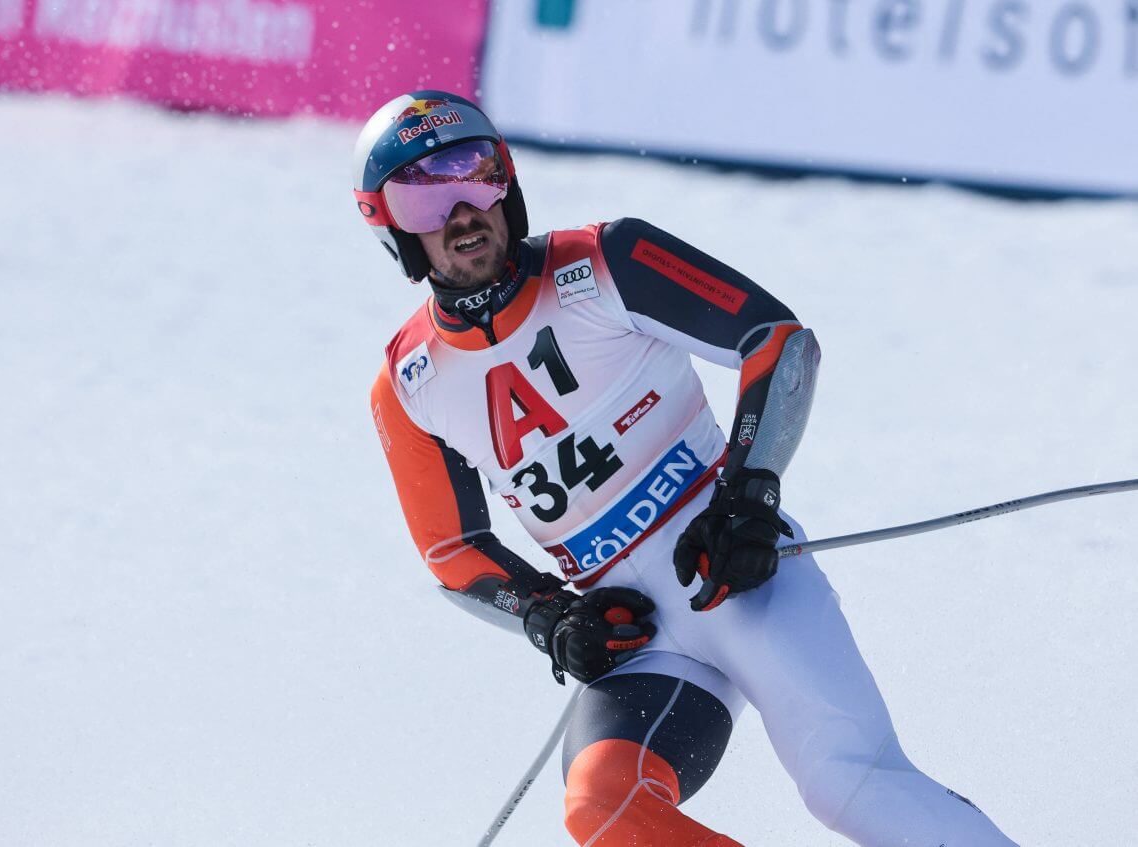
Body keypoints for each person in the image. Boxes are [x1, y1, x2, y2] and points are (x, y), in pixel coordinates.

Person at [358, 90, 1017, 847]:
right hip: (638, 639)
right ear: (391, 228)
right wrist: (550, 616)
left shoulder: (607, 260)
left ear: (508, 181)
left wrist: (749, 494)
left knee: (848, 779)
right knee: (602, 810)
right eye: (423, 197)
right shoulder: (408, 384)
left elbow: (778, 341)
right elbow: (451, 551)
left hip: (733, 571)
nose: (461, 211)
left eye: (476, 174)